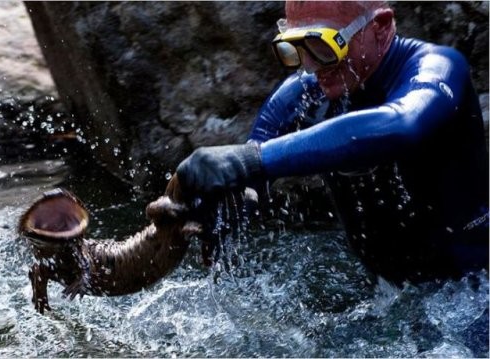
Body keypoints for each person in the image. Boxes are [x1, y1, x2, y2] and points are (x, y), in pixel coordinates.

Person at [176, 1, 489, 284]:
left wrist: (249, 160)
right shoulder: (303, 96)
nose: (312, 66)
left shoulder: (439, 67)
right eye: (296, 49)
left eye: (323, 46)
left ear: (379, 27)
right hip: (392, 299)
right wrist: (214, 214)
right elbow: (248, 185)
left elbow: (402, 124)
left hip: (475, 292)